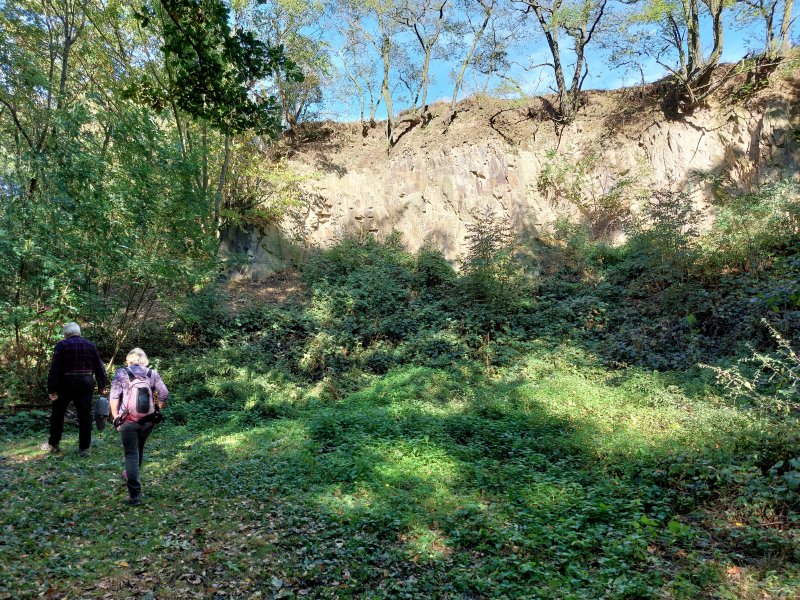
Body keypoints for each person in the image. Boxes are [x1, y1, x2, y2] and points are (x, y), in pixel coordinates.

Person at [109, 348, 169, 506]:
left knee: (131, 454)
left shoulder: (122, 373)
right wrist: (157, 408)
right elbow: (164, 392)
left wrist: (115, 417)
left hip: (127, 420)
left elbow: (114, 396)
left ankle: (134, 494)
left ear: (129, 361)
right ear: (144, 361)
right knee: (139, 449)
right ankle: (132, 475)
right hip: (148, 421)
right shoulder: (152, 373)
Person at [43, 322, 108, 456]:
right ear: (79, 332)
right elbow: (99, 366)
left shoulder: (62, 345)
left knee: (58, 414)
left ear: (66, 334)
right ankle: (84, 448)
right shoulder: (90, 345)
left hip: (65, 383)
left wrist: (52, 389)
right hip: (86, 382)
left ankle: (53, 444)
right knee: (85, 415)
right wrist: (102, 385)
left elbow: (55, 368)